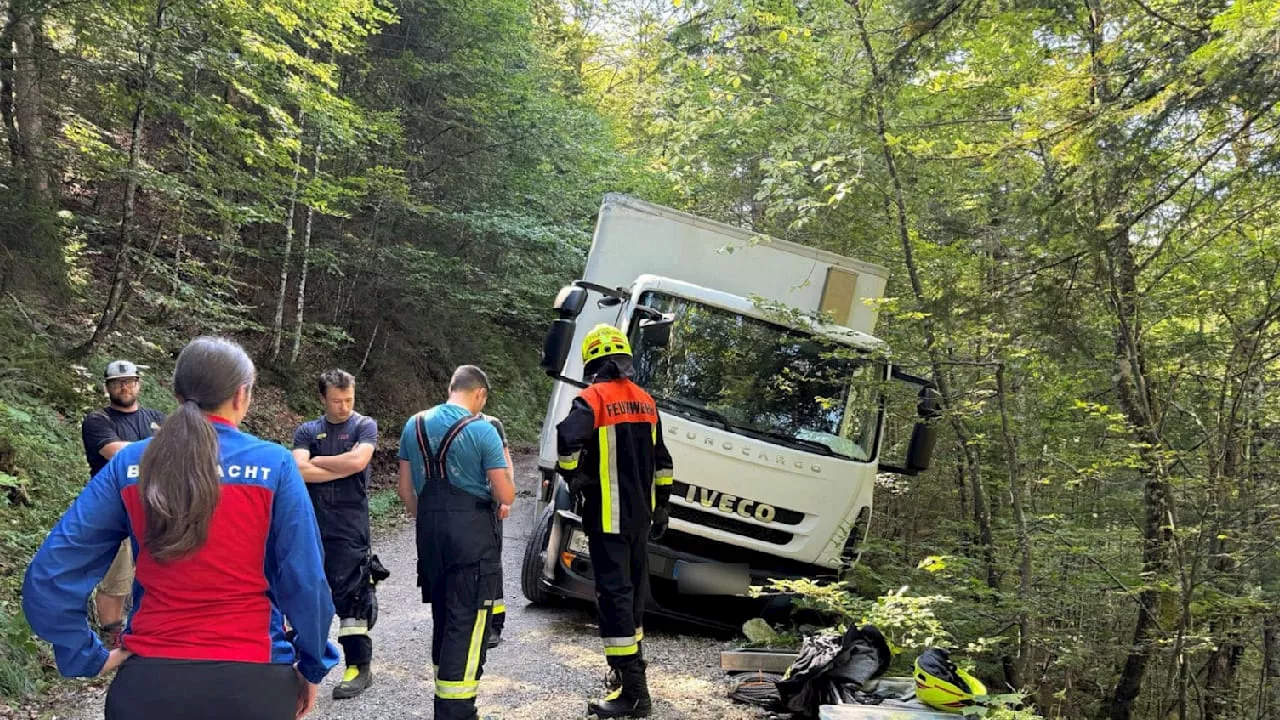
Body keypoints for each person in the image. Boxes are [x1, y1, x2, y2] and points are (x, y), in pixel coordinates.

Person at [24, 336, 338, 720]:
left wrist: (83, 655)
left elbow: (50, 574)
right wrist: (311, 664)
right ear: (242, 396)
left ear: (175, 393)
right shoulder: (273, 465)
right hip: (255, 680)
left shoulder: (131, 465)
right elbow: (306, 581)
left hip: (148, 686)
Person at [556, 324, 674, 718]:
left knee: (614, 597)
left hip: (607, 517)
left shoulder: (591, 399)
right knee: (634, 594)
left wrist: (575, 476)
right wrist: (662, 508)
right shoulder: (646, 401)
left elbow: (567, 444)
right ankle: (629, 676)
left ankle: (635, 694)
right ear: (624, 360)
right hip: (641, 518)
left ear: (593, 363)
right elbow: (663, 462)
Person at [397, 365, 515, 720]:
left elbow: (405, 491)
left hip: (430, 540)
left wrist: (435, 520)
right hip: (472, 544)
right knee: (467, 625)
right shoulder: (482, 430)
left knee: (443, 621)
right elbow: (506, 492)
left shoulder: (413, 425)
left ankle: (446, 704)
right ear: (480, 394)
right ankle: (456, 712)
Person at [292, 369, 383, 699]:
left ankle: (359, 667)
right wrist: (339, 464)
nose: (344, 407)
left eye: (349, 400)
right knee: (305, 593)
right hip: (312, 522)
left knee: (353, 596)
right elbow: (297, 468)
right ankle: (299, 666)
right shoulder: (308, 430)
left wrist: (319, 464)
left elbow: (359, 462)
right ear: (322, 398)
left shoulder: (363, 425)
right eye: (336, 401)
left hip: (350, 524)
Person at [79, 360, 166, 646]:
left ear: (139, 383)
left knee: (161, 573)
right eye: (117, 382)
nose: (124, 386)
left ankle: (154, 632)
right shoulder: (98, 421)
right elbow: (117, 452)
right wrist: (162, 449)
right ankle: (112, 637)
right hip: (114, 511)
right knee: (117, 578)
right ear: (107, 388)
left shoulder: (157, 417)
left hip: (157, 507)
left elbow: (180, 452)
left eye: (129, 380)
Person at [480, 413, 514, 649]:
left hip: (489, 504)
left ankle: (495, 623)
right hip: (460, 506)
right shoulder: (447, 422)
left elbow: (505, 462)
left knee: (491, 562)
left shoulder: (492, 424)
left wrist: (505, 499)